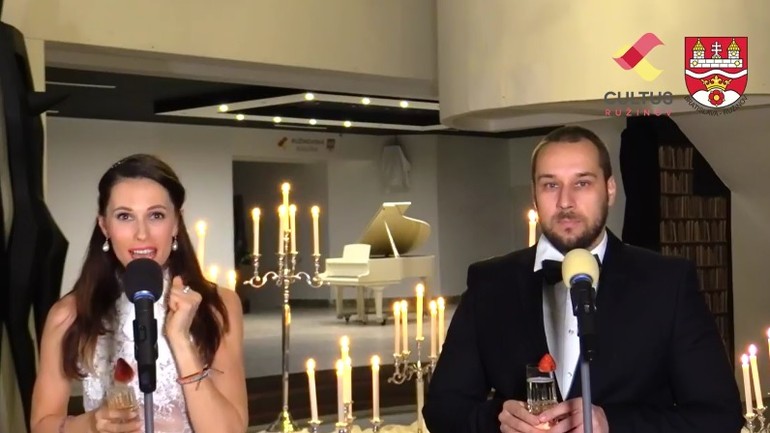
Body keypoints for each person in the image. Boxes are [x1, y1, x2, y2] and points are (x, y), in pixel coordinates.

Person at [422, 126, 743, 433]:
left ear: (610, 190)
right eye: (550, 185)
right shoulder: (490, 283)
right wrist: (498, 420)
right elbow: (442, 409)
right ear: (534, 195)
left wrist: (613, 424)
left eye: (582, 183)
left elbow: (719, 416)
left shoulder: (668, 282)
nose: (565, 201)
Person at [30, 154, 248, 433]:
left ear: (176, 223)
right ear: (104, 226)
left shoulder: (219, 305)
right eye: (125, 216)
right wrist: (91, 424)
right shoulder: (67, 314)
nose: (142, 234)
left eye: (156, 215)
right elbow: (42, 425)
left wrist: (181, 341)